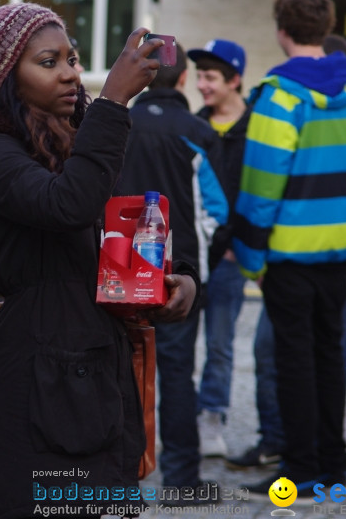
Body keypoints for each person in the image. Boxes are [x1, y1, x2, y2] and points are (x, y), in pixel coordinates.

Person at [0, 2, 202, 518]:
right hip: (38, 377)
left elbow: (124, 226)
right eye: (48, 62)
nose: (70, 73)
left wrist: (180, 278)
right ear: (4, 78)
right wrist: (115, 101)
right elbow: (68, 205)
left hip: (94, 369)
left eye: (73, 59)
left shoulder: (71, 140)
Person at [233, 0, 346, 501]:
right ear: (325, 27)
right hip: (343, 251)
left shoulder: (280, 96)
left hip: (291, 254)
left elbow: (260, 187)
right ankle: (333, 465)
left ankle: (299, 471)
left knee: (293, 361)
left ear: (281, 31)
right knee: (329, 356)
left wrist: (251, 256)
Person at [114, 43, 228, 505]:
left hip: (115, 268)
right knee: (178, 373)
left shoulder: (116, 126)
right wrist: (200, 267)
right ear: (183, 79)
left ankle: (119, 478)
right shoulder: (199, 131)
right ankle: (181, 480)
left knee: (118, 369)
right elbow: (216, 214)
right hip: (178, 277)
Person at [190, 38, 250, 461]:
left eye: (210, 77)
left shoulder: (258, 130)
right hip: (195, 254)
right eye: (198, 76)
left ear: (235, 81)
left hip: (230, 259)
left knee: (221, 343)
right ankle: (180, 413)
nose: (201, 85)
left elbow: (261, 193)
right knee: (181, 341)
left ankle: (213, 416)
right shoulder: (194, 126)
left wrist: (239, 247)